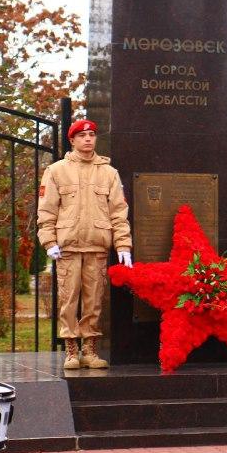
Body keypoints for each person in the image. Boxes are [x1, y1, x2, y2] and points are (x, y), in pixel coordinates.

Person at [37, 119, 132, 370]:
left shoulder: (109, 173)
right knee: (68, 299)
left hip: (97, 246)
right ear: (72, 140)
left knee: (94, 301)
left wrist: (123, 245)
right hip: (67, 247)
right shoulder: (56, 171)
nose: (88, 139)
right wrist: (49, 240)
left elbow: (119, 212)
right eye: (82, 135)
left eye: (91, 135)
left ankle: (89, 349)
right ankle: (71, 350)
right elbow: (46, 210)